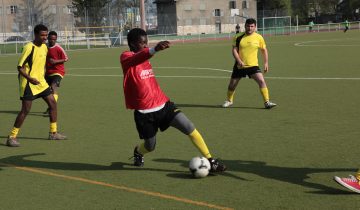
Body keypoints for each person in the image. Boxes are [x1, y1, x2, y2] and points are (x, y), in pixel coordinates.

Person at [120, 28, 226, 172]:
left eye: (146, 43)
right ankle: (139, 152)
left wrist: (151, 51)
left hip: (163, 105)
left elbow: (144, 55)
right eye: (141, 43)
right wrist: (154, 49)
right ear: (132, 44)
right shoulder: (126, 57)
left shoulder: (145, 55)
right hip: (144, 114)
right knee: (150, 146)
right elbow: (137, 58)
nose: (145, 46)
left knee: (189, 126)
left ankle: (210, 160)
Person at [5, 24, 66, 147]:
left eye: (46, 35)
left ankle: (53, 133)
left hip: (41, 83)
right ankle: (12, 137)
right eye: (42, 35)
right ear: (36, 35)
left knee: (53, 103)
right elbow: (20, 67)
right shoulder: (29, 47)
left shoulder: (44, 47)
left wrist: (43, 76)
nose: (45, 38)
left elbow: (42, 63)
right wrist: (30, 78)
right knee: (25, 110)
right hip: (28, 83)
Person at [222, 18, 276, 109]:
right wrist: (239, 61)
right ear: (245, 26)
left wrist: (266, 62)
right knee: (232, 85)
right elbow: (234, 50)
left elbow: (264, 50)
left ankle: (267, 102)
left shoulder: (259, 37)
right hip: (239, 66)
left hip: (253, 66)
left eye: (252, 26)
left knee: (261, 81)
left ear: (255, 27)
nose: (250, 28)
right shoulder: (238, 36)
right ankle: (229, 101)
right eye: (248, 26)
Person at [43, 31, 69, 114]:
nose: (52, 41)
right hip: (48, 72)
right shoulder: (44, 47)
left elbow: (66, 58)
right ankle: (50, 106)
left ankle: (52, 108)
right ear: (48, 38)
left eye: (54, 39)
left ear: (56, 39)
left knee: (54, 86)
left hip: (58, 71)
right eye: (50, 39)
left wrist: (55, 61)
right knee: (46, 92)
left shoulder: (58, 48)